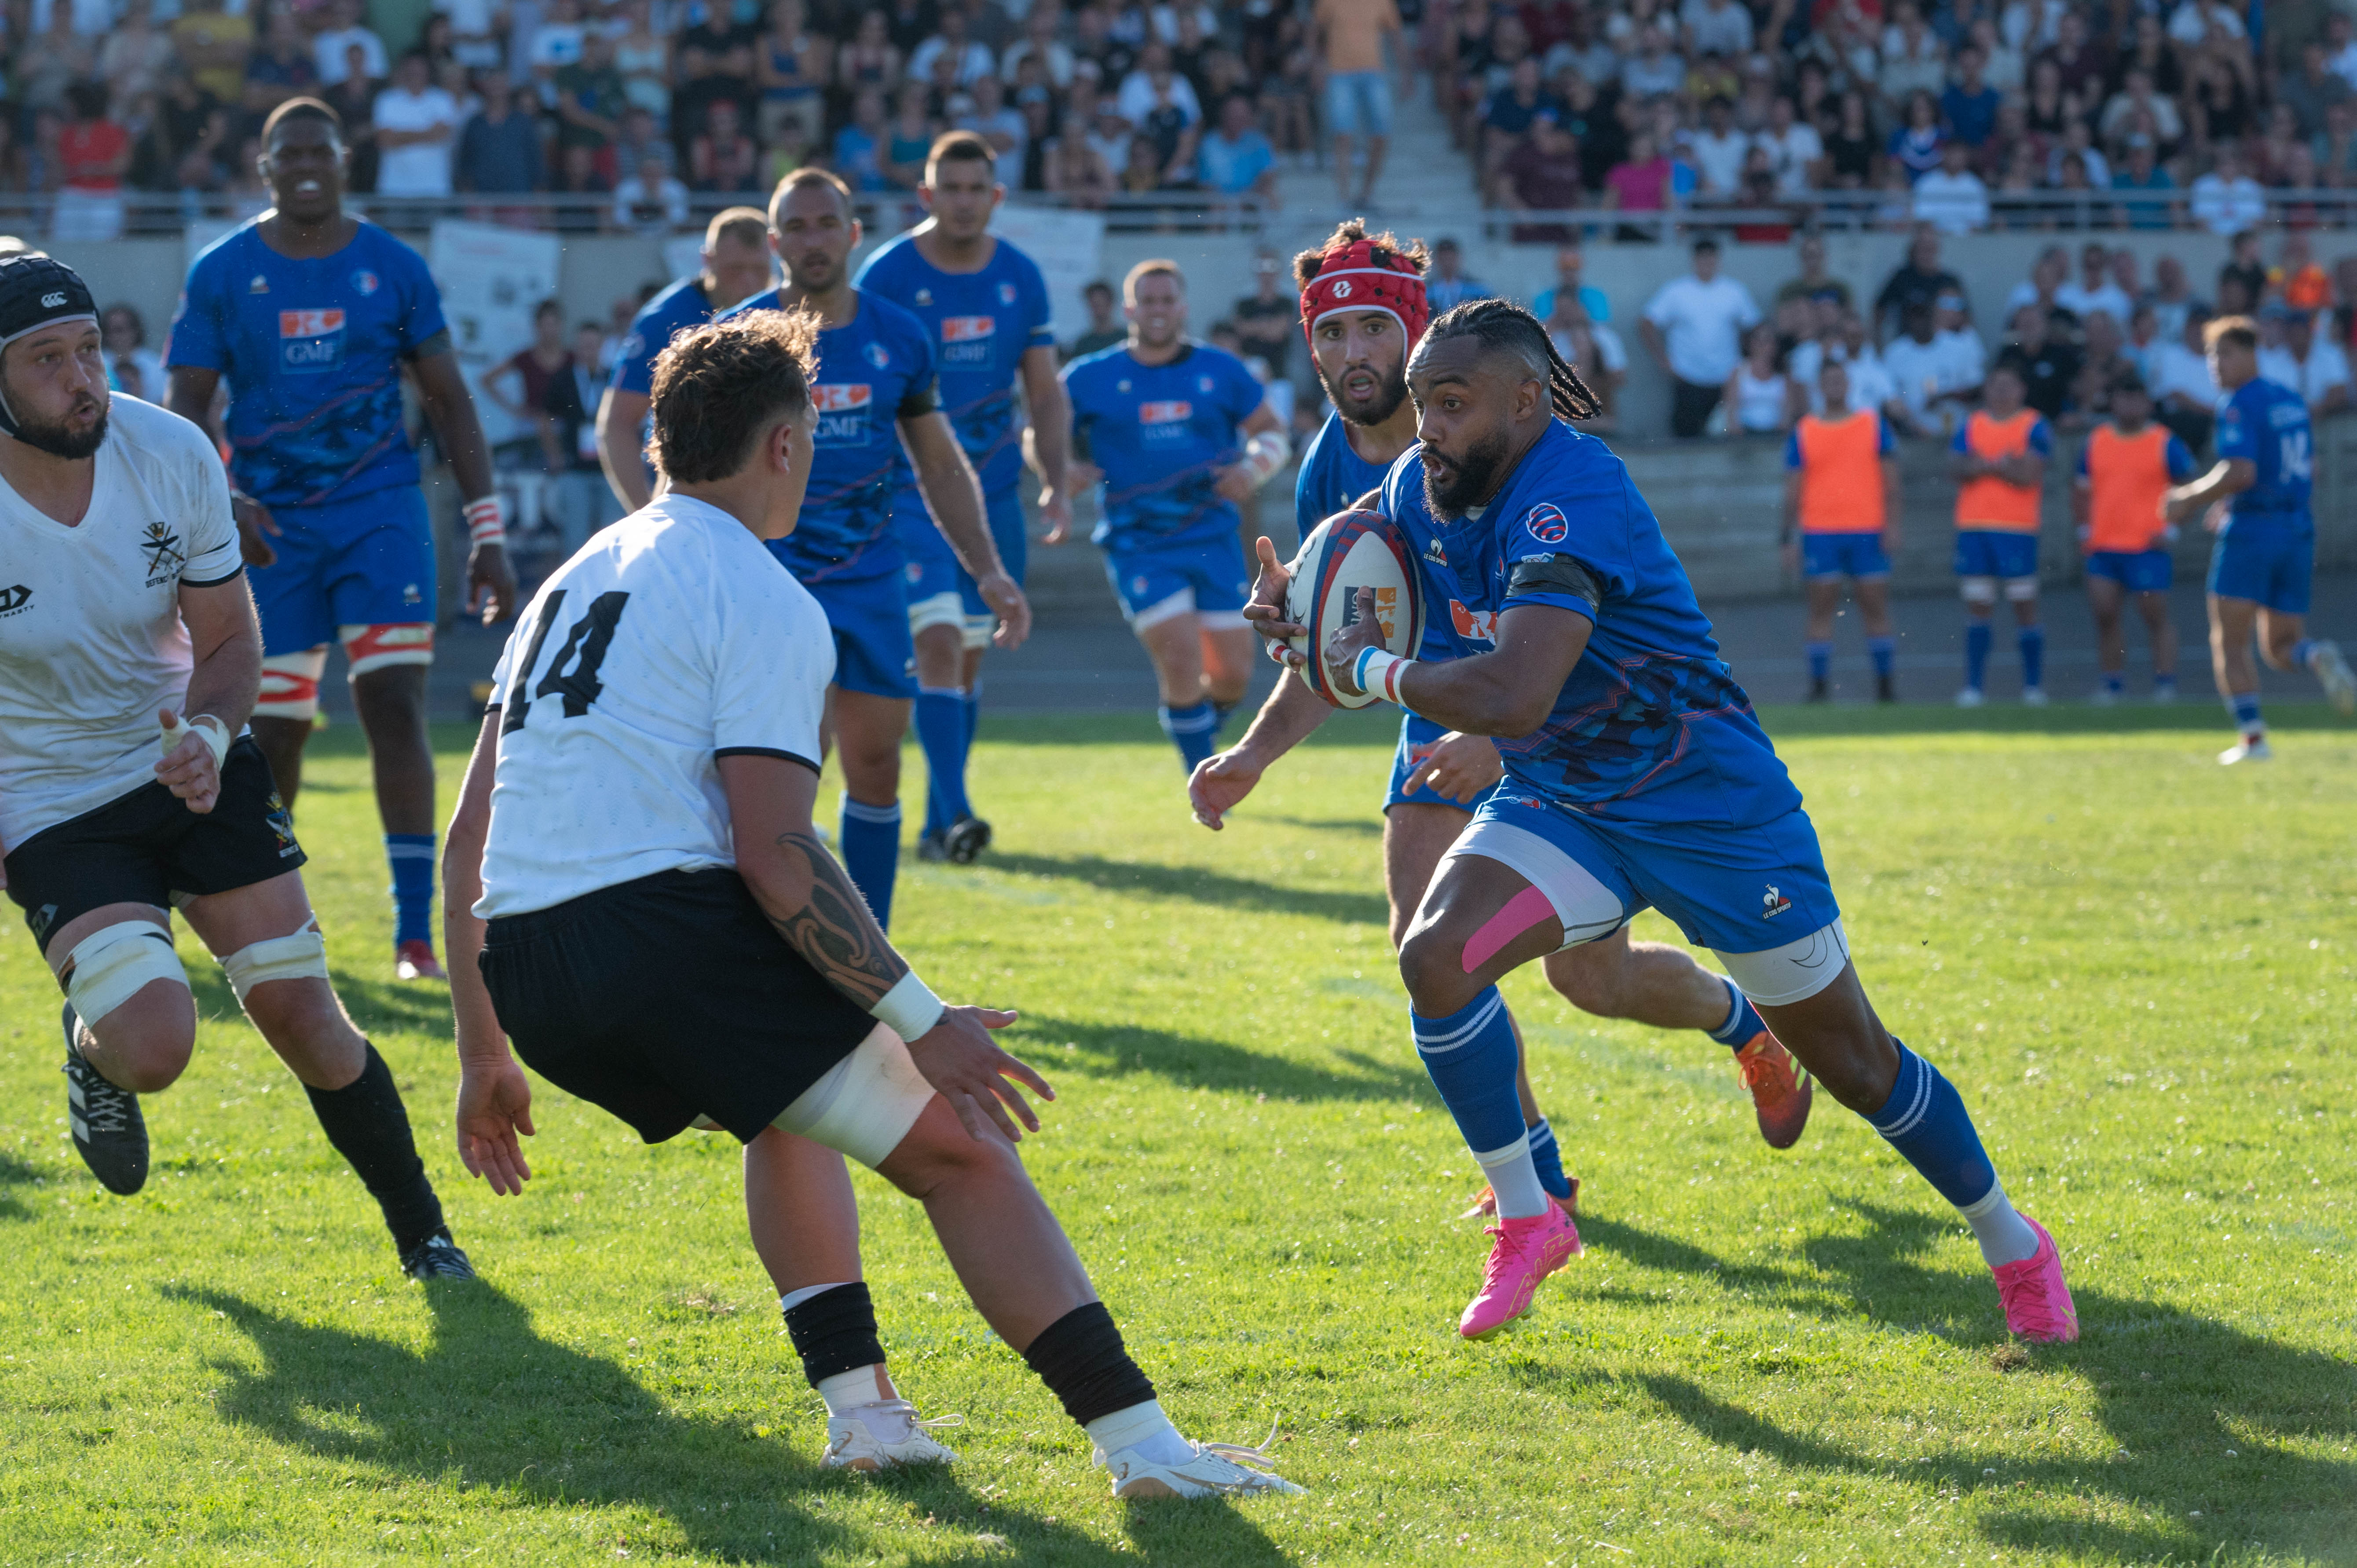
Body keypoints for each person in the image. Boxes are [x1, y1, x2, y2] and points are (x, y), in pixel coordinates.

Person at [440, 307, 1299, 1499]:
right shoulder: (761, 591)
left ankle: (869, 1416)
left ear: (659, 444)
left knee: (781, 1101)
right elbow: (778, 854)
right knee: (963, 1145)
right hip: (657, 936)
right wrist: (920, 1014)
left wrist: (483, 1044)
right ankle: (1142, 1446)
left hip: (532, 972)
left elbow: (466, 838)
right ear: (787, 446)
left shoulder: (566, 581)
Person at [1265, 297, 2074, 1346]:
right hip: (1568, 800)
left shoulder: (1574, 492)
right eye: (1424, 404)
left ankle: (2013, 1243)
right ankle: (1528, 1215)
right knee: (1436, 958)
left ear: (1525, 400)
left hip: (1710, 809)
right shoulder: (1412, 492)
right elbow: (1363, 615)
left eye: (1454, 404)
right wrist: (1301, 623)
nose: (1430, 427)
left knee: (1858, 1064)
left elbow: (1512, 696)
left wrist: (1365, 665)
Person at [1194, 225, 1813, 1221]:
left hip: (1562, 715)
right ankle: (1536, 1175)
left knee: (1590, 979)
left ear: (1414, 334)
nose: (1353, 353)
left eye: (1373, 329)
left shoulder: (1511, 438)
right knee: (1429, 947)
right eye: (1332, 332)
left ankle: (1742, 1021)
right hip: (1434, 709)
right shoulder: (1325, 476)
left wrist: (1499, 732)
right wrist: (1257, 741)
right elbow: (1347, 656)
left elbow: (1589, 613)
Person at [0, 254, 473, 1280]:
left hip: (188, 754)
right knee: (156, 1047)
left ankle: (426, 1237)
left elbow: (228, 641)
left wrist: (211, 740)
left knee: (309, 1017)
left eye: (87, 349)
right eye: (45, 359)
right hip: (45, 799)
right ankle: (95, 1047)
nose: (81, 378)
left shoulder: (168, 451)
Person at [164, 98, 514, 983]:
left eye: (322, 148)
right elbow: (185, 415)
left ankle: (413, 937)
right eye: (291, 151)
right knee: (273, 734)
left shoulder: (391, 265)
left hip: (380, 514)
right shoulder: (221, 271)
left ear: (345, 161)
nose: (308, 163)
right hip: (272, 531)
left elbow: (449, 400)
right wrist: (221, 500)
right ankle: (276, 924)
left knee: (394, 706)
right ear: (264, 165)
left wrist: (487, 530)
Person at [725, 165, 1031, 931]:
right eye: (795, 227)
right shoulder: (737, 339)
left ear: (854, 233)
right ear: (774, 242)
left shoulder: (898, 333)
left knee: (876, 766)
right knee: (773, 778)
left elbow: (937, 462)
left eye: (826, 223)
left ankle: (872, 956)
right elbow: (690, 467)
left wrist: (986, 570)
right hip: (767, 586)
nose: (813, 240)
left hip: (869, 582)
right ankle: (756, 950)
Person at [855, 132, 1071, 865]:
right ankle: (960, 815)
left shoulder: (1020, 277)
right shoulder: (886, 275)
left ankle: (937, 814)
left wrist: (1055, 475)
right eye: (949, 188)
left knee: (969, 662)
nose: (962, 201)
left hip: (994, 494)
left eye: (975, 189)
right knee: (938, 644)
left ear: (995, 196)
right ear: (925, 196)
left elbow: (1043, 390)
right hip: (908, 494)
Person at [1064, 260, 1289, 774]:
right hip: (1137, 541)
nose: (1158, 310)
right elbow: (1040, 429)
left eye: (1167, 301)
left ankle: (1199, 739)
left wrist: (1251, 469)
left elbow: (1273, 434)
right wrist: (1060, 470)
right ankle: (1204, 779)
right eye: (1147, 301)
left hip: (1212, 538)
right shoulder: (1090, 376)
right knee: (1183, 659)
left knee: (1232, 675)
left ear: (1183, 308)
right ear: (1129, 310)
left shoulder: (1222, 369)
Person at [2163, 317, 2357, 764]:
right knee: (2281, 647)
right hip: (2296, 530)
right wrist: (2229, 500)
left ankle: (2253, 740)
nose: (2217, 365)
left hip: (2253, 532)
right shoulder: (2289, 400)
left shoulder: (2237, 403)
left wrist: (2189, 498)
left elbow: (2241, 471)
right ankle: (2317, 655)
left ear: (2252, 354)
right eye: (2212, 356)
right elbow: (2309, 469)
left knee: (2229, 641)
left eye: (2225, 354)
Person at [596, 208, 777, 514]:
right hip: (686, 501)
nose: (749, 283)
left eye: (759, 270)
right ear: (708, 260)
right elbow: (617, 425)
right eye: (735, 270)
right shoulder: (665, 320)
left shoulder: (782, 310)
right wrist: (644, 513)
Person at [1783, 358, 1901, 703]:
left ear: (1849, 384)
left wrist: (1893, 524)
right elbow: (1793, 487)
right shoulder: (1804, 429)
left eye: (1840, 380)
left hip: (1868, 529)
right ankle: (1819, 688)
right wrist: (1787, 537)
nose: (1835, 386)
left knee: (1875, 608)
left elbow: (1891, 480)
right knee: (1820, 610)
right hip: (1821, 531)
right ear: (1820, 387)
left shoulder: (1872, 424)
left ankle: (1886, 687)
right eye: (1828, 380)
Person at [2076, 371, 2193, 705]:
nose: (2129, 405)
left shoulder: (2164, 441)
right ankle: (2112, 686)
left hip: (2146, 546)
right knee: (2105, 615)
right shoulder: (2097, 440)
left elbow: (2190, 488)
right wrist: (2083, 530)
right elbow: (2080, 491)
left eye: (2136, 398)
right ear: (2113, 402)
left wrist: (2171, 530)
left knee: (2155, 617)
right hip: (2104, 545)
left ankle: (2165, 685)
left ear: (2147, 403)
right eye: (2123, 398)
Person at [1948, 362, 2050, 708]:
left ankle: (2033, 688)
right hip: (1975, 527)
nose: (2002, 392)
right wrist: (2004, 465)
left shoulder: (2034, 425)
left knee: (2024, 606)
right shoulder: (1972, 424)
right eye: (1995, 385)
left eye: (2009, 384)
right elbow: (1957, 468)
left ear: (2021, 389)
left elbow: (2029, 474)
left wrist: (1985, 466)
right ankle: (1974, 688)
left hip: (2017, 529)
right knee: (1978, 606)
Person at [1640, 237, 1761, 439]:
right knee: (1686, 437)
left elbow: (1754, 327)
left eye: (1711, 258)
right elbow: (1646, 323)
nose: (1707, 263)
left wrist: (1747, 362)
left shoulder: (1734, 292)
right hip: (1687, 378)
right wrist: (1663, 361)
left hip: (1725, 380)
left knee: (1726, 438)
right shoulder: (1677, 291)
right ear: (1694, 260)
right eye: (1702, 258)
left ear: (1718, 260)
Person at [1314, 0, 1402, 206]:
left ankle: (1366, 194)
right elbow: (1314, 31)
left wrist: (1406, 71)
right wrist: (1316, 65)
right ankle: (1343, 198)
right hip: (1339, 73)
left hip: (1373, 72)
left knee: (1381, 135)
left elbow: (1396, 35)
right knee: (1342, 134)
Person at [2256, 308, 2353, 421]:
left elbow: (2340, 393)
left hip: (2328, 420)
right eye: (2292, 332)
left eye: (2300, 330)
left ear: (2309, 332)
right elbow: (2270, 397)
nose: (2296, 335)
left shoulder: (2330, 354)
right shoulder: (2275, 359)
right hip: (2289, 423)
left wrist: (2314, 410)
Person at [1425, 237, 1491, 312]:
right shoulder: (1426, 291)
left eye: (1450, 258)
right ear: (1435, 260)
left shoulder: (1477, 289)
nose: (1447, 263)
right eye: (1443, 259)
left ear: (1458, 259)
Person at [1064, 279, 1125, 361]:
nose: (1097, 310)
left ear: (1111, 304)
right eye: (1093, 305)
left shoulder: (1126, 340)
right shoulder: (1083, 344)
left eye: (1100, 304)